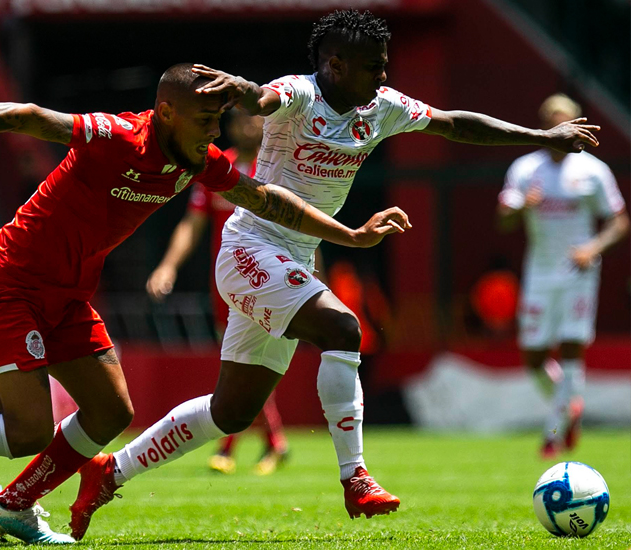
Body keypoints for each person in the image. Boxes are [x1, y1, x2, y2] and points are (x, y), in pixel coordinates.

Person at [67, 10, 601, 541]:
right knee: (343, 328)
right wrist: (243, 89)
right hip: (251, 247)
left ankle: (110, 470)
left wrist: (541, 135)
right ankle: (356, 476)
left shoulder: (382, 107)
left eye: (386, 65)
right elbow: (261, 99)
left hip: (292, 259)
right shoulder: (299, 94)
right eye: (374, 67)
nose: (385, 77)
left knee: (231, 412)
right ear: (335, 64)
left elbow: (453, 122)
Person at [0, 62, 413, 544]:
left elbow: (266, 199)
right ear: (165, 112)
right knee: (27, 431)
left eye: (217, 121)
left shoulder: (199, 159)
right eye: (202, 119)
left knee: (112, 414)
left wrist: (352, 236)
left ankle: (13, 506)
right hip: (5, 282)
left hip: (68, 295)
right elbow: (32, 116)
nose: (212, 131)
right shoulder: (115, 134)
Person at [146, 111, 289, 476]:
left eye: (255, 120)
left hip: (267, 279)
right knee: (243, 363)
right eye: (240, 120)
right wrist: (168, 266)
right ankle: (272, 442)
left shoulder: (275, 167)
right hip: (226, 286)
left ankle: (235, 445)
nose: (247, 127)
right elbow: (192, 224)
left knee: (248, 362)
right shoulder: (216, 167)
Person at [497, 93, 627, 459]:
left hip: (578, 271)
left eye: (568, 121)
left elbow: (619, 220)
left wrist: (594, 248)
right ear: (545, 125)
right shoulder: (525, 169)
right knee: (533, 356)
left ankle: (552, 433)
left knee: (572, 346)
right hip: (539, 271)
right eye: (554, 120)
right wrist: (523, 206)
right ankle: (569, 404)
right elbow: (502, 219)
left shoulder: (593, 170)